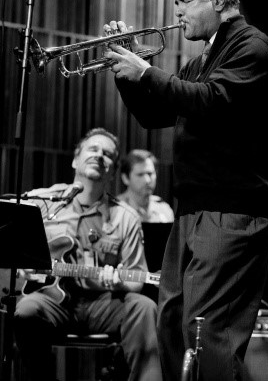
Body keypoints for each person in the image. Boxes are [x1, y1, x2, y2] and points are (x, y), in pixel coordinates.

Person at [102, 0, 268, 381]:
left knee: (205, 331)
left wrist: (147, 70)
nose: (177, 12)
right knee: (172, 324)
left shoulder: (254, 47)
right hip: (193, 211)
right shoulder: (204, 58)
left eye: (184, 1)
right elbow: (154, 112)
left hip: (233, 213)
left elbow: (211, 100)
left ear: (218, 0)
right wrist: (127, 73)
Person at [14, 127, 163, 381]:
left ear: (114, 171)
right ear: (75, 159)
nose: (99, 156)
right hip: (54, 301)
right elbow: (11, 248)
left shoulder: (126, 217)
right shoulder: (43, 203)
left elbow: (137, 279)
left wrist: (118, 280)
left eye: (107, 154)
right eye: (93, 149)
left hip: (103, 304)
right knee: (26, 310)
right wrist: (21, 266)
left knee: (145, 307)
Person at [117, 149, 174, 223]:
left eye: (150, 174)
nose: (147, 180)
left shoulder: (164, 209)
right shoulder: (116, 210)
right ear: (126, 178)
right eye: (140, 175)